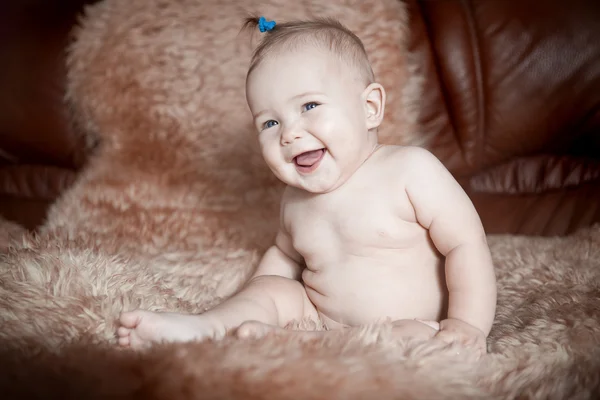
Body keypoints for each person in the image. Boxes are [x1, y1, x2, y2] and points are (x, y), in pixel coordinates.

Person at [117, 16, 497, 354]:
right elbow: (284, 256)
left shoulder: (410, 170)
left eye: (309, 106)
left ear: (369, 108)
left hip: (411, 325)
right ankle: (206, 327)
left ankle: (300, 344)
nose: (289, 134)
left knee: (411, 338)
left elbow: (466, 243)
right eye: (269, 123)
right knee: (274, 291)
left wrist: (467, 324)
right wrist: (258, 292)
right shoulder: (295, 200)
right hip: (318, 315)